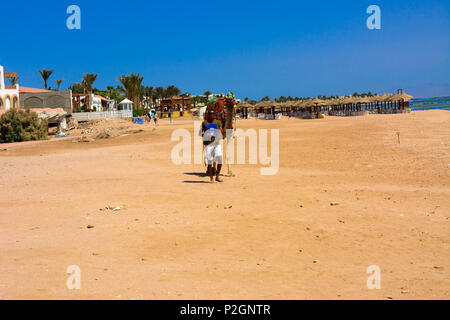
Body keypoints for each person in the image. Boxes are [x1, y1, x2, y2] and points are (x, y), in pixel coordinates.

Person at [202, 110, 224, 183]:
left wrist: (219, 131)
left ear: (215, 114)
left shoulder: (217, 122)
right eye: (210, 113)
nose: (211, 115)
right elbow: (202, 132)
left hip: (217, 143)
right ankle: (211, 177)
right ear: (208, 114)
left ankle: (217, 176)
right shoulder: (204, 123)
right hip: (208, 145)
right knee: (210, 162)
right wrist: (206, 135)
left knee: (220, 160)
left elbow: (221, 131)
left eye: (213, 113)